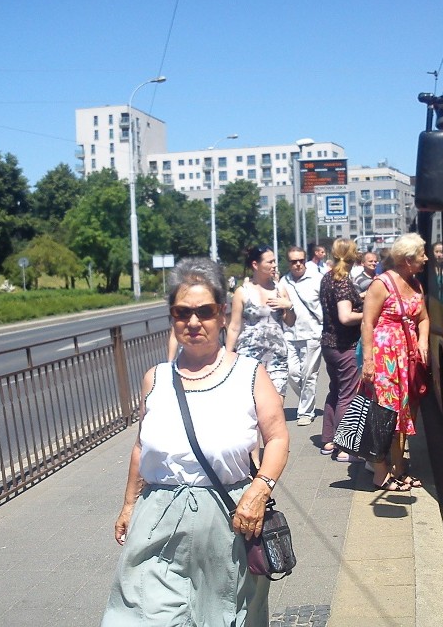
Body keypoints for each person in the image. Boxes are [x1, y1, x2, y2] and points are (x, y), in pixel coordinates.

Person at [102, 258, 290, 627]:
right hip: (156, 516)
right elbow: (142, 446)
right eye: (182, 312)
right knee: (138, 615)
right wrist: (128, 506)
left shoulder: (250, 374)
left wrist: (259, 490)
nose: (193, 321)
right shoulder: (155, 378)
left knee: (224, 616)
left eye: (204, 311)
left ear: (221, 314)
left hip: (228, 518)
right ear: (172, 317)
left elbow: (278, 437)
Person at [361, 233, 430, 491]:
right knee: (386, 415)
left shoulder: (416, 284)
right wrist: (368, 361)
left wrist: (423, 341)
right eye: (421, 254)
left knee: (406, 413)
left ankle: (399, 469)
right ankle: (380, 471)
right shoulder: (382, 283)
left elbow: (423, 318)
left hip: (408, 358)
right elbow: (367, 322)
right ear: (407, 259)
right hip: (385, 358)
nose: (426, 258)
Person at [226, 245, 295, 399]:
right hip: (249, 356)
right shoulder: (242, 292)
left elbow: (290, 322)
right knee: (253, 404)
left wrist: (289, 306)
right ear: (255, 265)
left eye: (274, 261)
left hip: (277, 355)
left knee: (276, 405)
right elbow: (234, 327)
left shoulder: (280, 289)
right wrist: (227, 356)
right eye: (269, 262)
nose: (274, 265)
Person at [319, 238, 364, 462]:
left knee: (335, 391)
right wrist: (368, 314)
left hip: (328, 344)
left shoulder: (327, 277)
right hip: (344, 345)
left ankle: (327, 439)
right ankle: (345, 448)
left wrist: (360, 298)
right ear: (352, 255)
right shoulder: (343, 280)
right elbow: (345, 316)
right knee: (348, 394)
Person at [279, 246, 323, 426]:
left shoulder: (317, 279)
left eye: (300, 261)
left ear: (305, 260)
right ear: (288, 263)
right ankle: (306, 399)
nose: (297, 264)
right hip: (289, 333)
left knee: (309, 374)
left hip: (312, 333)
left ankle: (306, 411)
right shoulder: (283, 282)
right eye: (293, 261)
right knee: (291, 372)